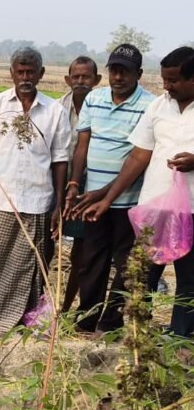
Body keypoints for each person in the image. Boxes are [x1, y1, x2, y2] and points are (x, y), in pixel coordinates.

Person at [80, 46, 194, 338]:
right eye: (164, 79)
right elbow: (138, 156)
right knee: (141, 275)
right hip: (155, 205)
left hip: (191, 209)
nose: (166, 86)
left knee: (189, 279)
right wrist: (107, 199)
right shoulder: (158, 107)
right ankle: (135, 334)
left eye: (173, 80)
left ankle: (180, 339)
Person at [0, 47, 71, 335]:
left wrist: (58, 204)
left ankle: (24, 322)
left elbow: (60, 160)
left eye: (30, 72)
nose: (25, 77)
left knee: (30, 267)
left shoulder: (55, 111)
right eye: (20, 72)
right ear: (11, 73)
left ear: (41, 74)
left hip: (38, 202)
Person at [65, 45, 154, 332]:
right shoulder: (95, 98)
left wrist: (105, 194)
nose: (118, 77)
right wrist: (75, 183)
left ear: (138, 74)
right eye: (114, 70)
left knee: (126, 263)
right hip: (91, 199)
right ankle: (87, 318)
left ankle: (111, 322)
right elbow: (83, 144)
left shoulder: (150, 105)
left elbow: (139, 158)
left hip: (129, 199)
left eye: (124, 71)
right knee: (92, 259)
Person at [58, 57, 102, 312]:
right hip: (59, 182)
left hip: (90, 185)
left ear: (96, 80)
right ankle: (41, 305)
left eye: (86, 77)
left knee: (81, 251)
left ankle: (67, 308)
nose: (80, 81)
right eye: (76, 77)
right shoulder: (56, 109)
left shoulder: (102, 108)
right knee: (48, 243)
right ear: (68, 80)